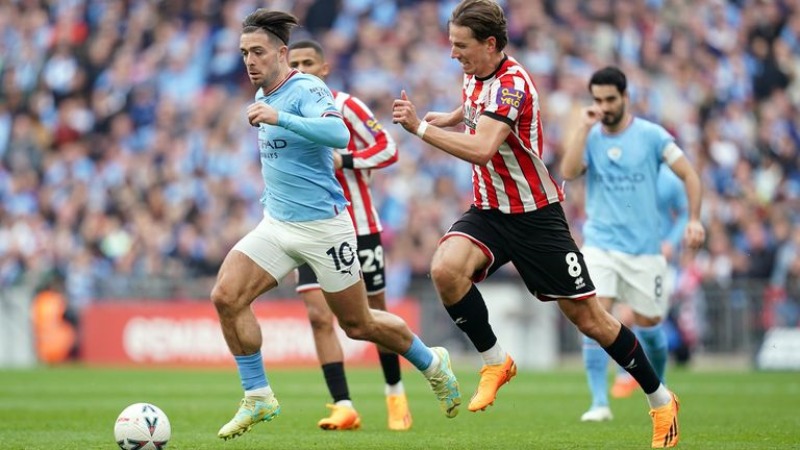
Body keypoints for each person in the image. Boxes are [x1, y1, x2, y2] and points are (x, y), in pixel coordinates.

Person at [392, 1, 696, 447]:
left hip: (537, 218)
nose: (453, 53)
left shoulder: (513, 86)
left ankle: (661, 400)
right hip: (491, 211)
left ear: (490, 44)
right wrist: (450, 116)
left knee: (590, 319)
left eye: (461, 46)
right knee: (444, 269)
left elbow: (482, 149)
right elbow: (474, 104)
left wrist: (421, 129)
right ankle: (496, 360)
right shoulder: (476, 71)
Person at [213, 9, 460, 441]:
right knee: (226, 296)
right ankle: (257, 395)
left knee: (359, 324)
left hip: (324, 229)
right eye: (244, 52)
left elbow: (339, 136)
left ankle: (432, 363)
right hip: (277, 224)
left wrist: (281, 118)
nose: (249, 60)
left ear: (282, 52)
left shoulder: (307, 87)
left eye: (257, 51)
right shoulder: (261, 91)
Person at [560, 67, 704, 424]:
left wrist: (695, 220)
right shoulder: (590, 137)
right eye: (597, 99)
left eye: (610, 99)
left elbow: (690, 175)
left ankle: (661, 389)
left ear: (625, 98)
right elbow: (568, 170)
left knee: (650, 326)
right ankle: (598, 402)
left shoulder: (652, 136)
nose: (604, 106)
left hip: (644, 251)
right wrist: (581, 126)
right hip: (600, 245)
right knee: (593, 318)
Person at [286, 40, 411, 431]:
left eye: (309, 62)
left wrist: (347, 159)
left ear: (324, 69)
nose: (302, 68)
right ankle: (343, 405)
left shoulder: (346, 106)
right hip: (309, 229)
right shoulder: (281, 113)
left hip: (359, 229)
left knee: (374, 314)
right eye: (295, 63)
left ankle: (395, 392)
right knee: (318, 317)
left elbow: (388, 148)